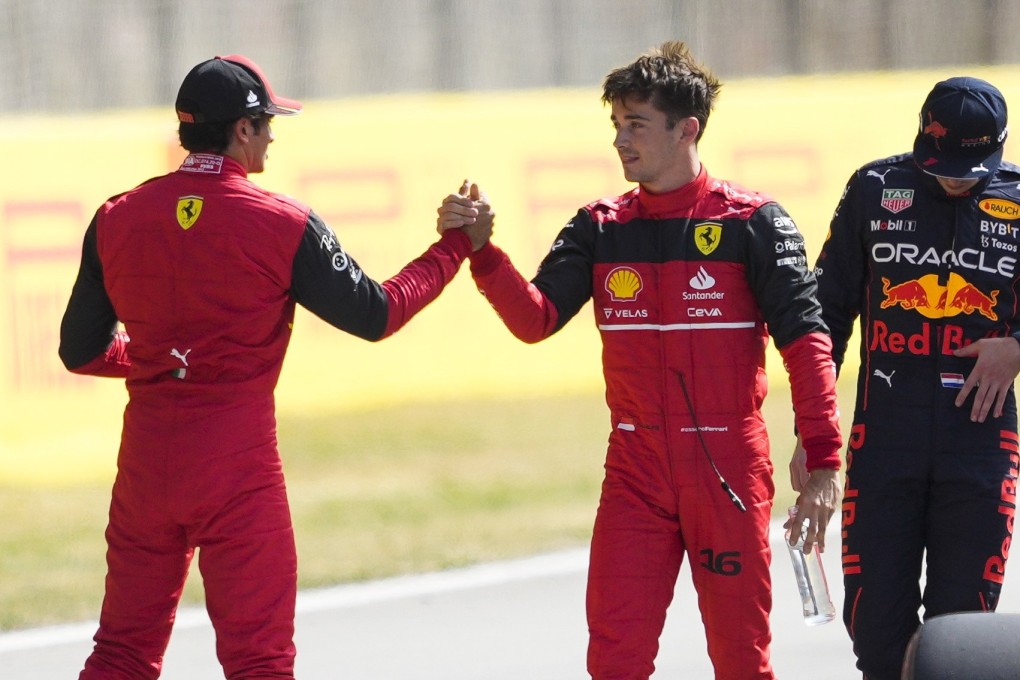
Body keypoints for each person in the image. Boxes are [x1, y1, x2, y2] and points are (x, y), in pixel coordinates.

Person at [58, 54, 486, 679]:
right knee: (258, 661)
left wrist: (162, 362)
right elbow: (376, 314)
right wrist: (454, 246)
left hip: (147, 469)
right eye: (267, 124)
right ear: (242, 130)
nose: (273, 137)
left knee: (122, 652)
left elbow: (82, 350)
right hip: (237, 471)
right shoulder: (283, 222)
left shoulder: (116, 214)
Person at [438, 41, 843, 680]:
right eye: (616, 125)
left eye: (636, 124)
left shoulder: (753, 222)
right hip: (635, 468)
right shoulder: (600, 226)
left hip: (728, 467)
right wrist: (484, 254)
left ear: (688, 129)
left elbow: (807, 345)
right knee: (615, 658)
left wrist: (822, 461)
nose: (621, 141)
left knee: (741, 660)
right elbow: (535, 319)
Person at [805, 75, 1020, 680]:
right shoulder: (876, 187)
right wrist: (813, 433)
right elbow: (826, 314)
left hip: (980, 444)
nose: (956, 175)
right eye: (944, 161)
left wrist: (1017, 349)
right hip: (884, 441)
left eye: (970, 163)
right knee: (875, 636)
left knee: (961, 642)